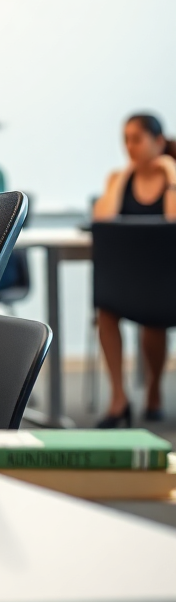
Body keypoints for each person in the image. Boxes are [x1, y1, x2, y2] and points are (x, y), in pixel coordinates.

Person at [91, 113, 176, 427]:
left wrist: (170, 171)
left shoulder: (171, 178)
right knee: (106, 309)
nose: (130, 147)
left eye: (137, 139)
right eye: (126, 139)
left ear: (158, 141)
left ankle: (154, 387)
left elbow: (172, 219)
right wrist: (125, 177)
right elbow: (103, 217)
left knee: (153, 320)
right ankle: (119, 398)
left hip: (167, 278)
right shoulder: (120, 178)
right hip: (131, 278)